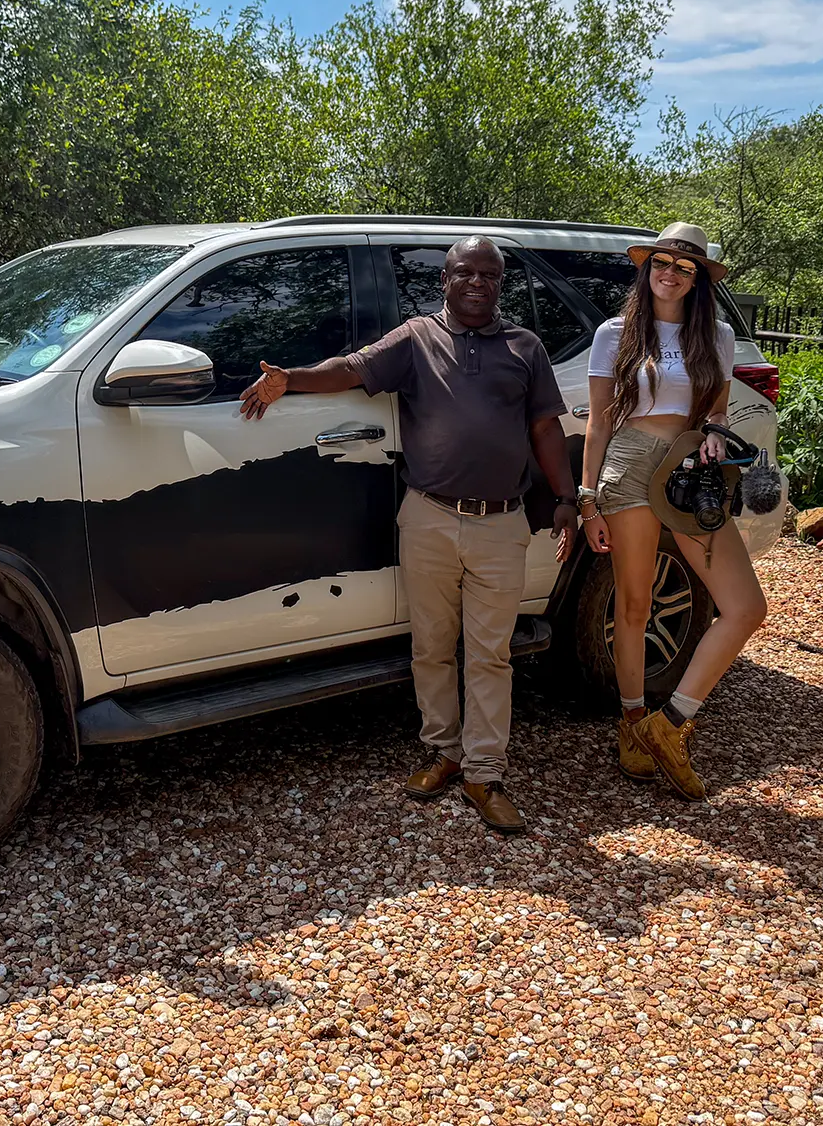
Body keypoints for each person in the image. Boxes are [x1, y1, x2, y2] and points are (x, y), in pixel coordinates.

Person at [239, 236, 577, 833]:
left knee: (490, 654)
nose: (478, 283)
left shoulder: (525, 347)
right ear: (444, 279)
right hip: (429, 517)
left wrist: (568, 501)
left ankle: (484, 771)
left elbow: (546, 429)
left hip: (502, 522)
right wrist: (288, 379)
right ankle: (444, 753)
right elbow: (350, 368)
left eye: (490, 275)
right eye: (465, 272)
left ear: (500, 283)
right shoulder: (417, 338)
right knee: (431, 646)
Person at [578, 222, 768, 800]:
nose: (670, 274)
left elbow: (714, 411)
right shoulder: (615, 333)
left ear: (698, 279)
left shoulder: (718, 335)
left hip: (689, 470)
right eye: (662, 263)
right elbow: (600, 420)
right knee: (634, 605)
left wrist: (713, 433)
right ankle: (633, 725)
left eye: (684, 268)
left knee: (745, 607)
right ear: (648, 267)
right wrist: (588, 499)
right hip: (630, 465)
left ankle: (672, 722)